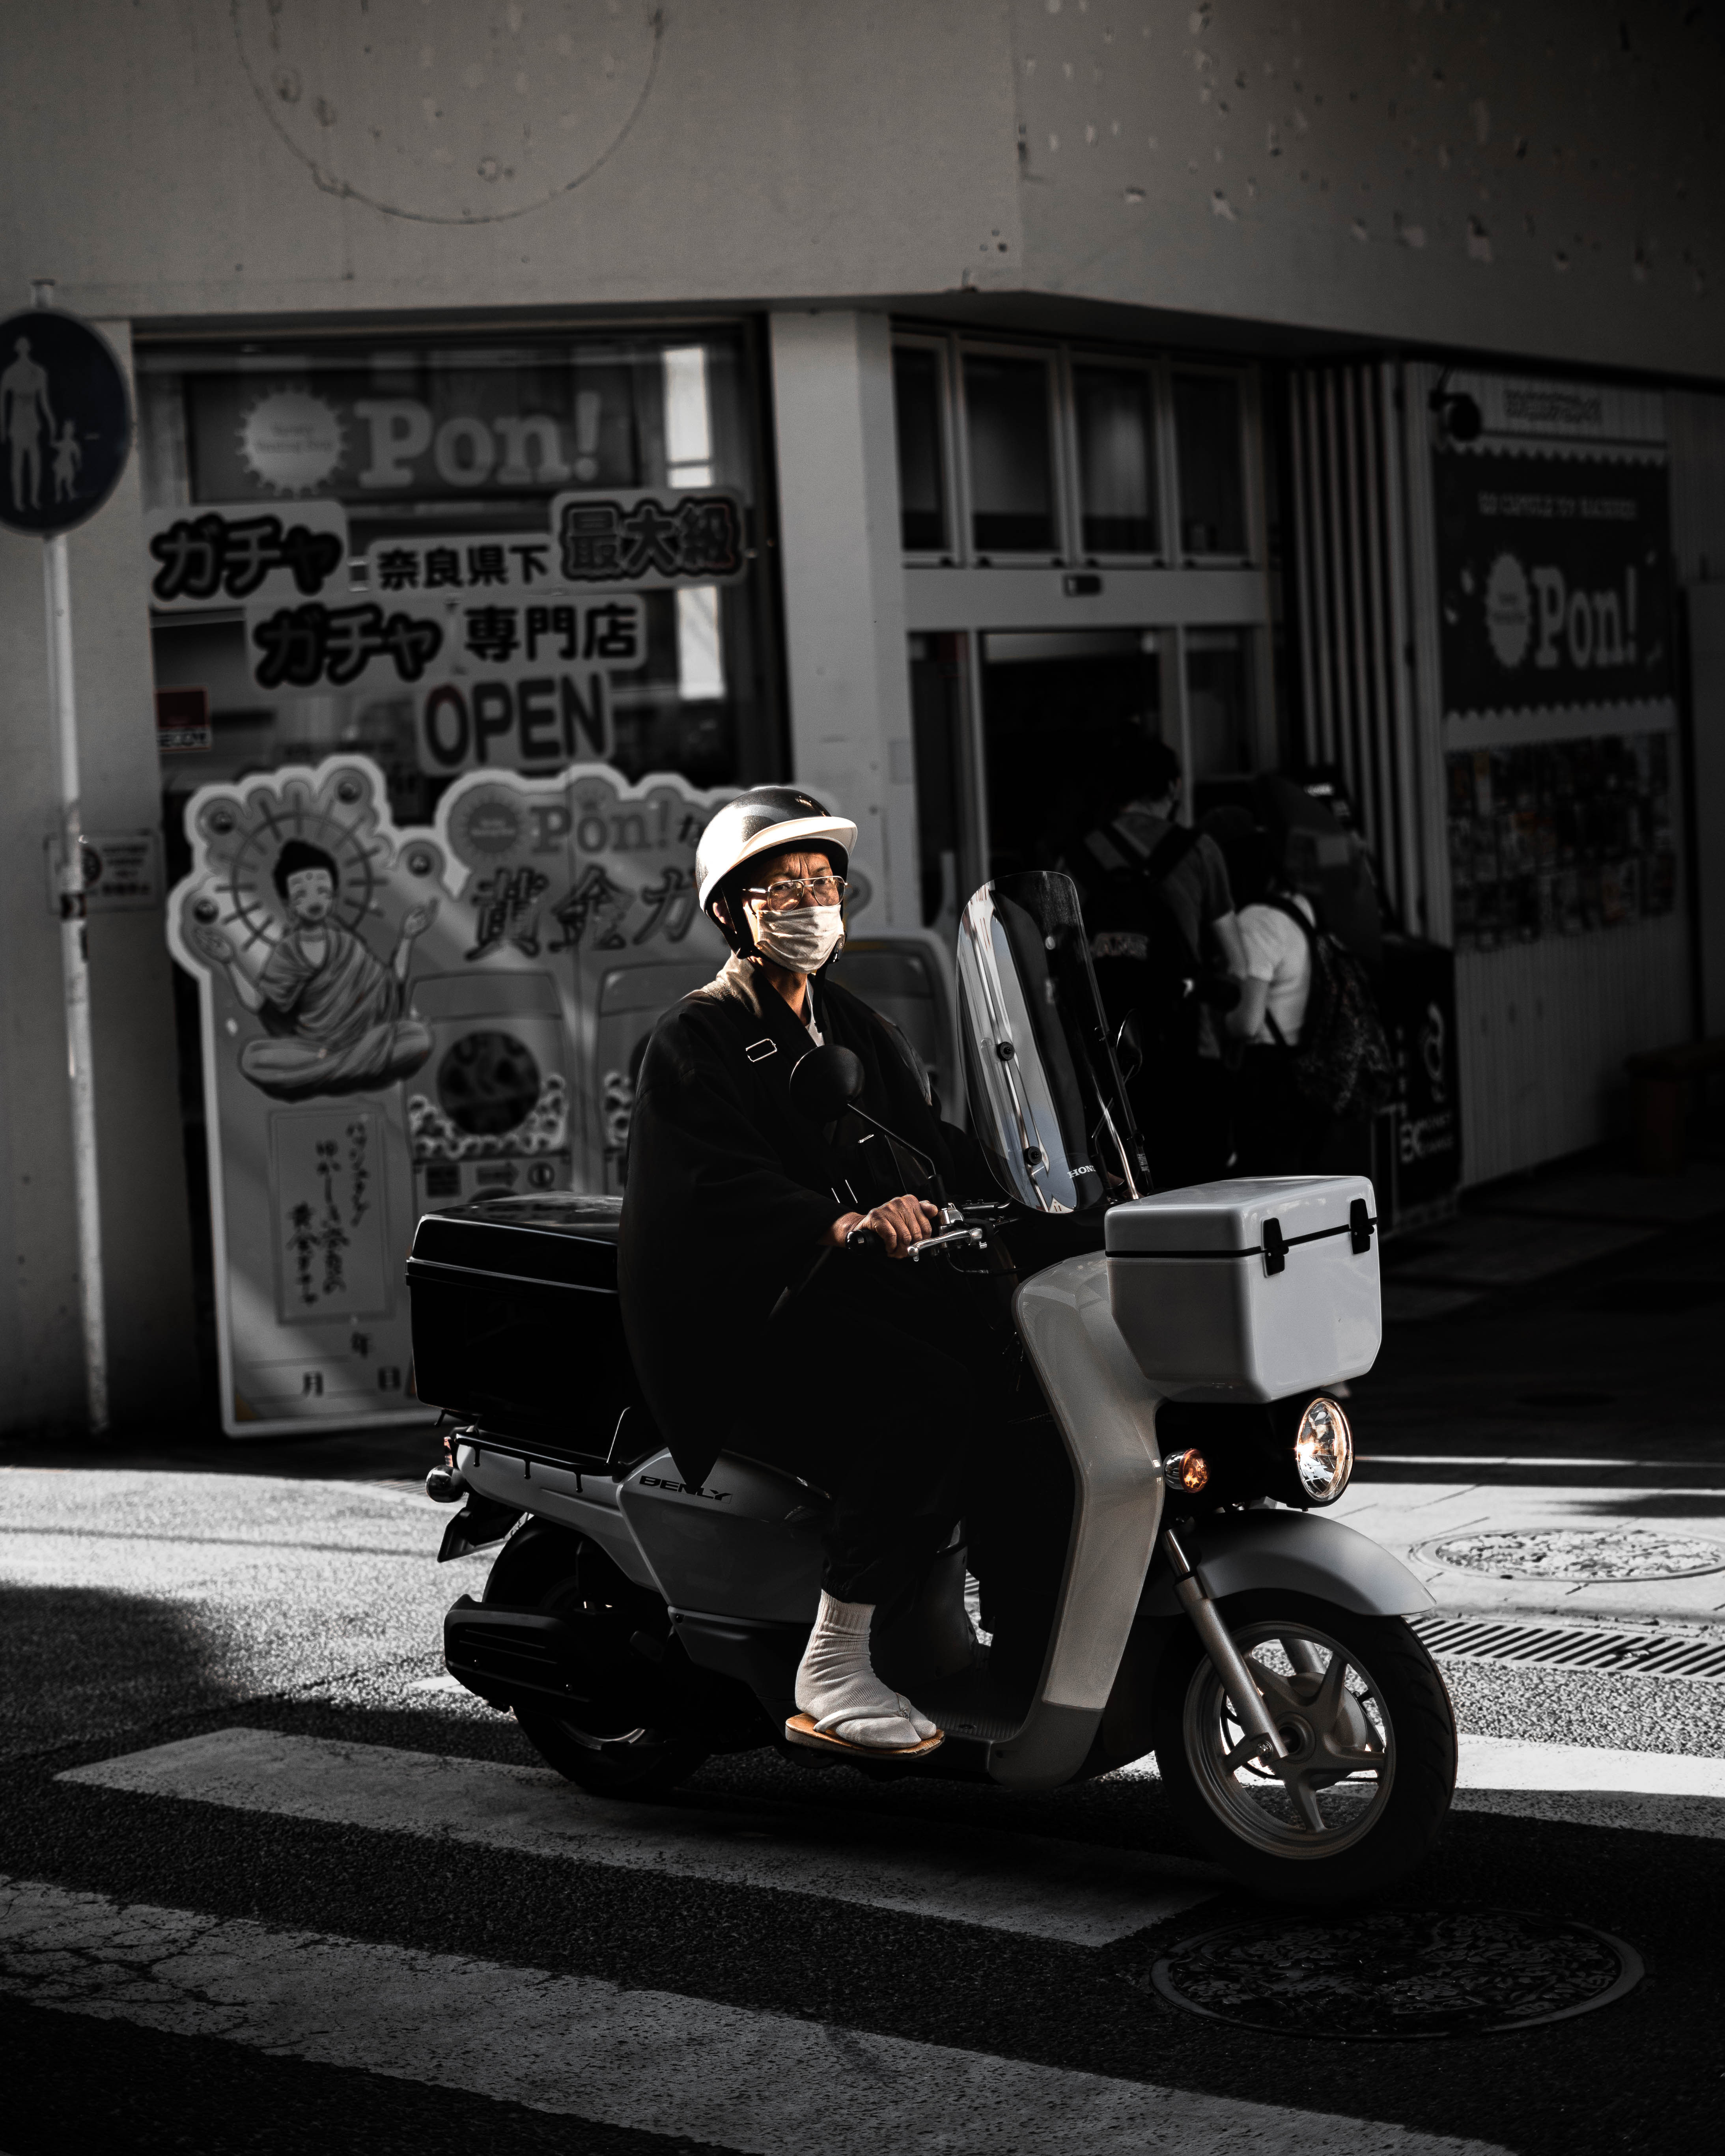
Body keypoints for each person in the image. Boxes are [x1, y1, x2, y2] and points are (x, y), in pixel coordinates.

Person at [618, 788, 1005, 1760]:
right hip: (751, 1314)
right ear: (730, 911)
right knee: (924, 1396)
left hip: (851, 1291)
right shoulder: (695, 1035)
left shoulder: (849, 1024)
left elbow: (924, 1141)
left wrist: (1040, 1186)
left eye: (820, 882)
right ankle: (832, 1661)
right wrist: (842, 1223)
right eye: (779, 888)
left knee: (1011, 1358)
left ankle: (977, 1613)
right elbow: (712, 1183)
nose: (806, 903)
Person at [1070, 733, 1245, 1188]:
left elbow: (1058, 958)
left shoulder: (1077, 859)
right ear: (1173, 787)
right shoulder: (1201, 850)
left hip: (1106, 1060)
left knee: (1124, 1189)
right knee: (1197, 1190)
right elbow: (1236, 963)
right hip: (1188, 1046)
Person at [193, 839, 437, 1101]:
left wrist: (407, 938)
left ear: (333, 897)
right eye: (302, 894)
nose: (314, 899)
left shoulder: (347, 944)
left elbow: (388, 987)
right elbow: (259, 1002)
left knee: (418, 1037)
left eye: (322, 890)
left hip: (360, 1041)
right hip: (313, 1048)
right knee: (252, 1058)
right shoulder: (288, 952)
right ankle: (351, 1069)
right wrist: (230, 961)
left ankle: (328, 1073)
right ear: (289, 905)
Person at [1226, 827, 1328, 1174]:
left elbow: (1247, 1021)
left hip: (1266, 1079)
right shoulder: (1300, 907)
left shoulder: (1256, 922)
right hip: (1304, 1067)